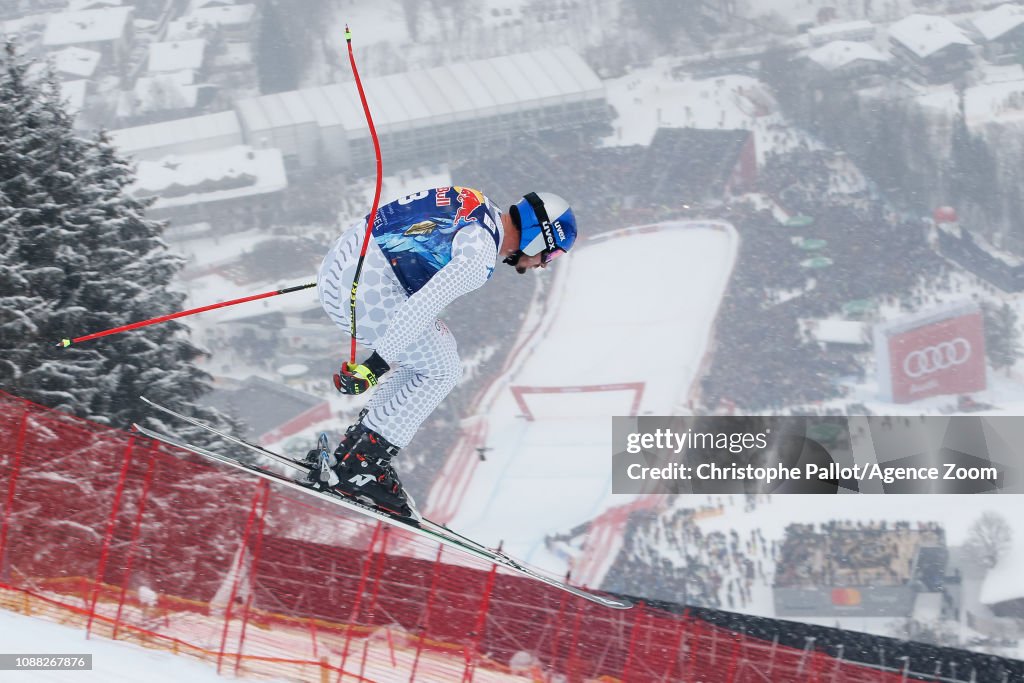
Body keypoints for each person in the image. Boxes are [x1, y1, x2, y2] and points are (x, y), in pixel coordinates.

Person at [307, 186, 577, 517]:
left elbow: (402, 225)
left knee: (431, 357)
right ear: (539, 236)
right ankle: (362, 466)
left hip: (348, 271)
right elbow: (422, 305)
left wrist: (344, 272)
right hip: (364, 292)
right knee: (443, 369)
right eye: (550, 255)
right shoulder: (479, 257)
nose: (544, 265)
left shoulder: (478, 204)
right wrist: (374, 366)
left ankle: (355, 452)